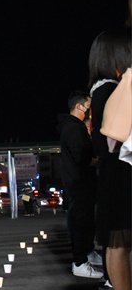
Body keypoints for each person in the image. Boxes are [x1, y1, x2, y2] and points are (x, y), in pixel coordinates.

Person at [88, 28, 132, 290]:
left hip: (118, 172)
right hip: (120, 173)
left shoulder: (106, 88)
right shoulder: (108, 89)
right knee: (118, 240)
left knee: (121, 240)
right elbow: (111, 140)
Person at [58, 91, 101, 279]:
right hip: (79, 182)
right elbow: (81, 157)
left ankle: (87, 252)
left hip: (78, 182)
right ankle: (80, 262)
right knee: (81, 222)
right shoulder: (74, 128)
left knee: (85, 221)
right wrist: (97, 161)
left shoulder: (70, 126)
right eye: (88, 106)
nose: (89, 110)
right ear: (79, 106)